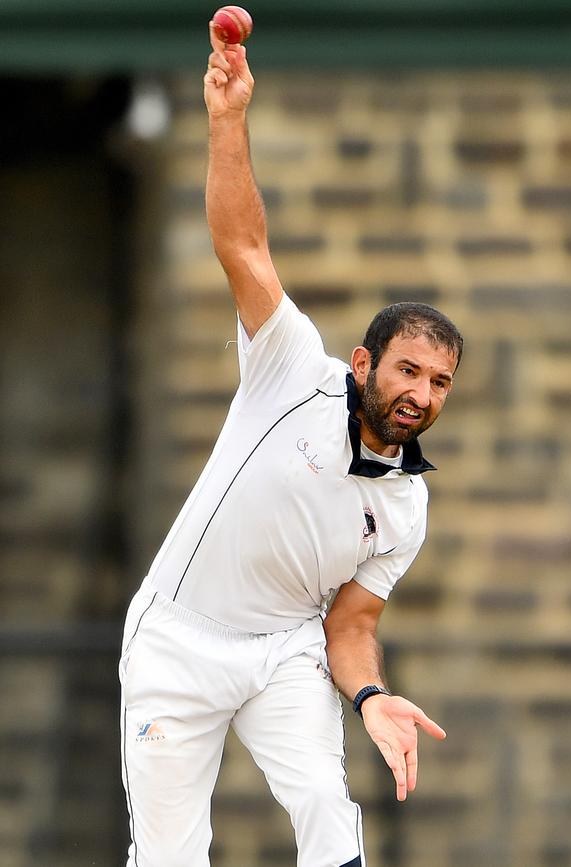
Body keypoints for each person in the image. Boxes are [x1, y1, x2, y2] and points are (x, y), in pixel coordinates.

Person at [119, 21, 463, 867]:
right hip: (178, 637)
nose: (420, 393)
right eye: (408, 370)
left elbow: (352, 624)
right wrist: (227, 118)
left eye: (440, 382)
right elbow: (242, 244)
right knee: (168, 854)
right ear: (363, 363)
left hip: (285, 652)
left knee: (326, 809)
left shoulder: (406, 506)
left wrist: (373, 695)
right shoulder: (291, 368)